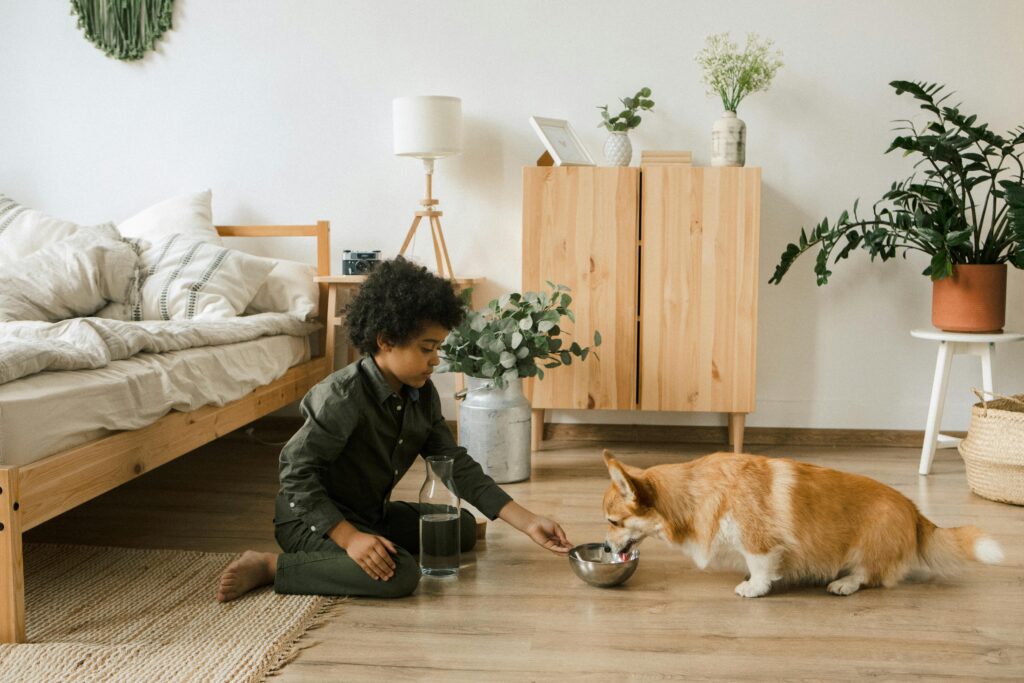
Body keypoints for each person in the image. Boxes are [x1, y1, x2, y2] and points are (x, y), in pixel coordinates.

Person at [217, 257, 572, 601]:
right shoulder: (342, 396)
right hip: (312, 521)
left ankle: (369, 544)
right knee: (400, 575)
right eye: (427, 348)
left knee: (460, 526)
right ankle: (272, 566)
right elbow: (295, 474)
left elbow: (452, 462)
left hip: (371, 514)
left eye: (438, 348)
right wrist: (350, 538)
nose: (436, 360)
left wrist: (527, 522)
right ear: (386, 340)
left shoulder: (421, 393)